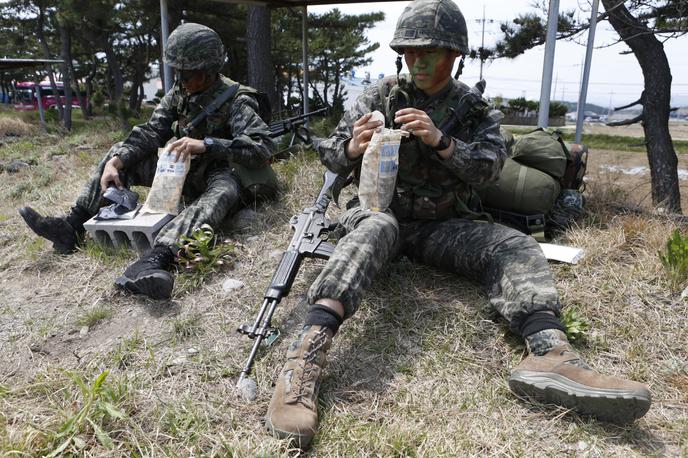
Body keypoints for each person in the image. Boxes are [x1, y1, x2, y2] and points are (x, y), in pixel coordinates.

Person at [265, 0, 651, 448]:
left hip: (443, 224)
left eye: (430, 51)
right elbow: (330, 157)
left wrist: (442, 141)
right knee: (374, 229)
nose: (418, 61)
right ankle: (303, 360)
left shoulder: (473, 109)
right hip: (378, 211)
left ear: (454, 56)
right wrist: (353, 146)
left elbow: (489, 169)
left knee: (514, 246)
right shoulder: (378, 97)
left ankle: (549, 354)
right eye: (410, 52)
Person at [18, 23, 276, 300]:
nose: (182, 80)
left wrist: (207, 144)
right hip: (181, 170)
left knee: (224, 190)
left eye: (188, 75)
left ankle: (156, 259)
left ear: (208, 70)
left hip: (221, 172)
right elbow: (152, 132)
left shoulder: (239, 99)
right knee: (119, 152)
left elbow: (262, 146)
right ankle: (72, 226)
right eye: (178, 73)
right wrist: (117, 161)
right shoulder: (180, 92)